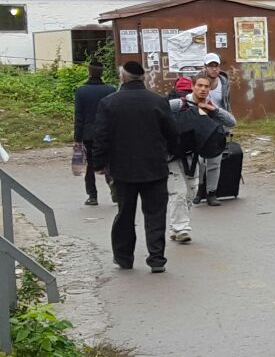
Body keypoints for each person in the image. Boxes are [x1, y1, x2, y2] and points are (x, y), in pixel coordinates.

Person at [90, 61, 175, 273]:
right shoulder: (158, 101)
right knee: (155, 215)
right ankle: (156, 259)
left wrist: (99, 164)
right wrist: (169, 154)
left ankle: (124, 258)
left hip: (122, 170)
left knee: (124, 214)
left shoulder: (109, 103)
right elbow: (173, 133)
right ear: (143, 78)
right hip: (155, 168)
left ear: (123, 77)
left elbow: (101, 137)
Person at [166, 73, 235, 244]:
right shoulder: (179, 104)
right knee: (179, 193)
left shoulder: (208, 107)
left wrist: (215, 110)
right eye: (200, 86)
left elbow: (231, 121)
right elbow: (159, 110)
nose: (203, 89)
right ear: (193, 86)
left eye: (206, 86)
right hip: (172, 156)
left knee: (191, 192)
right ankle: (182, 229)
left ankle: (176, 228)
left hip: (193, 156)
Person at [74, 61, 116, 206]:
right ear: (102, 73)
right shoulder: (111, 90)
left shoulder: (81, 91)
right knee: (109, 162)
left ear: (89, 72)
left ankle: (92, 196)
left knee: (90, 165)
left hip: (88, 134)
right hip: (108, 133)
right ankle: (113, 186)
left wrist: (77, 139)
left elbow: (79, 116)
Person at [194, 53, 232, 206]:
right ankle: (199, 190)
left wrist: (226, 124)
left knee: (215, 161)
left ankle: (212, 193)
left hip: (217, 126)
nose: (214, 69)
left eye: (216, 66)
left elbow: (226, 104)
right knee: (200, 162)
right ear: (205, 67)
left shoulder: (224, 83)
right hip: (200, 124)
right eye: (211, 66)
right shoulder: (199, 82)